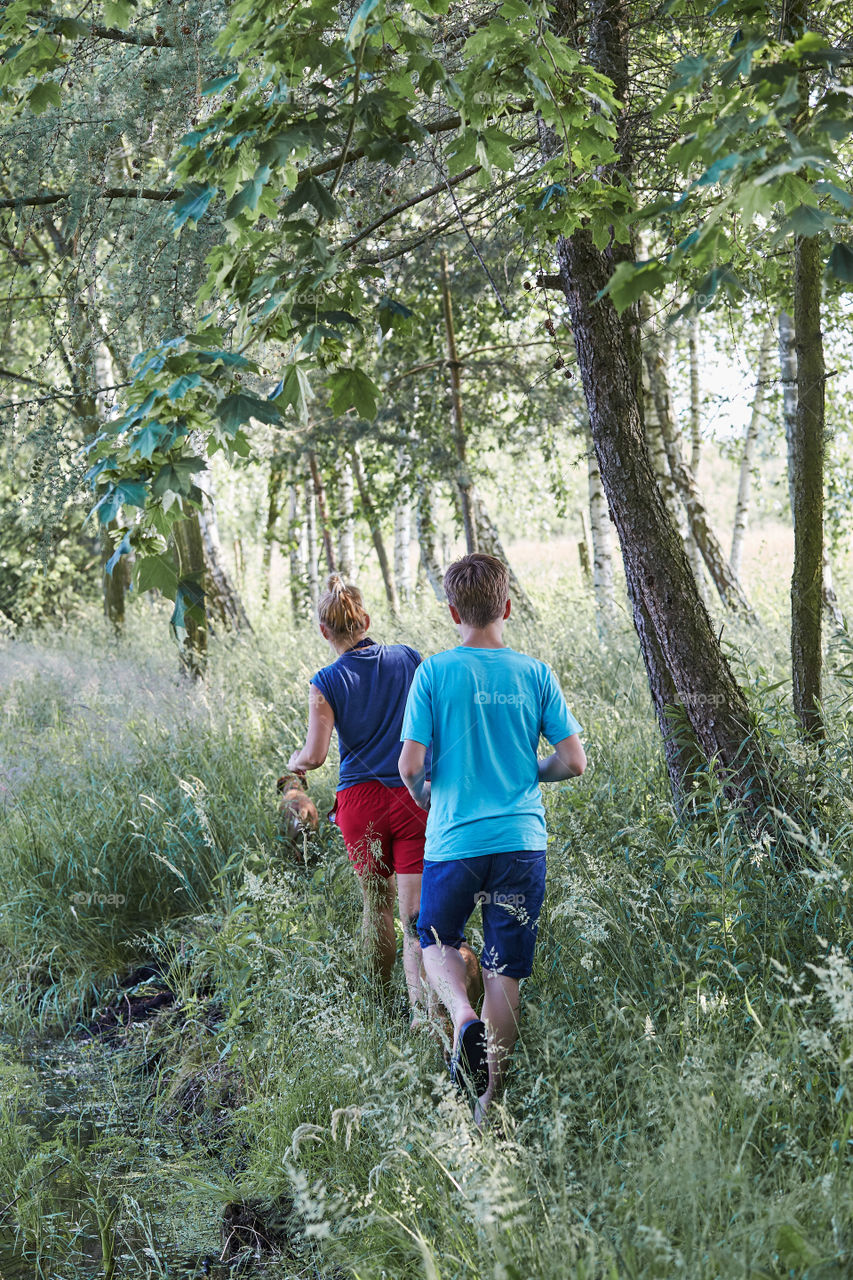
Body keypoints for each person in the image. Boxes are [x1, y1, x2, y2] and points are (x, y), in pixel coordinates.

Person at [398, 553, 586, 1121]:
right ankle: (488, 1104)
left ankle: (461, 1017)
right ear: (507, 606)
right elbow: (574, 762)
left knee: (433, 936)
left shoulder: (433, 672)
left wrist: (428, 799)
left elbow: (410, 765)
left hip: (454, 842)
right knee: (505, 969)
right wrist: (532, 773)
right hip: (521, 843)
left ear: (453, 611)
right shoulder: (535, 673)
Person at [288, 573, 430, 1022]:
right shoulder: (408, 658)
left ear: (323, 631)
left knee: (377, 904)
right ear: (365, 619)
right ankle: (420, 1012)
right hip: (412, 797)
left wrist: (295, 763)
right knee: (415, 914)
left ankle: (376, 1006)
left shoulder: (324, 682)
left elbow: (315, 754)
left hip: (359, 805)